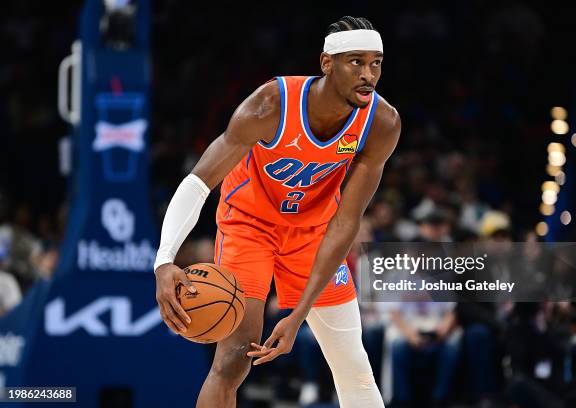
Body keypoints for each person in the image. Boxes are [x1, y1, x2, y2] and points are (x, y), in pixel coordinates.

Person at [153, 16, 400, 408]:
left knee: (353, 364)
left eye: (376, 63)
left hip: (315, 231)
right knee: (232, 361)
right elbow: (200, 180)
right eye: (356, 61)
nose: (368, 74)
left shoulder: (381, 122)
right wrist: (164, 259)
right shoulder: (272, 104)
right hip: (249, 225)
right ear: (326, 63)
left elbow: (346, 222)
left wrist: (298, 313)